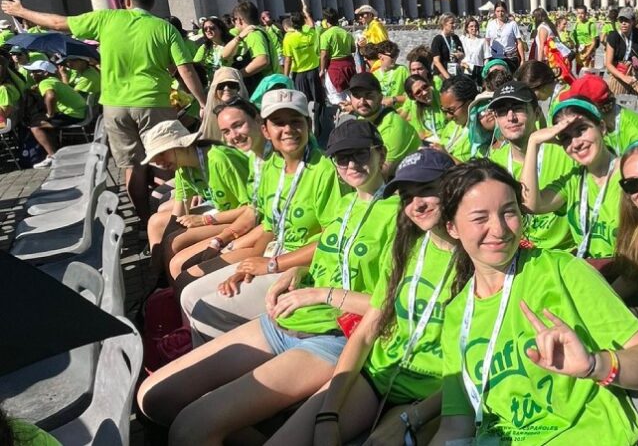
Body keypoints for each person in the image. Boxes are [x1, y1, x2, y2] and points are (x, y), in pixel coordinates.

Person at [137, 118, 400, 444]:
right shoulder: (346, 203)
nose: (350, 164)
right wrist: (293, 274)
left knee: (190, 428)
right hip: (291, 315)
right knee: (154, 398)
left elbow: (391, 305)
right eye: (341, 157)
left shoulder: (402, 214)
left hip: (340, 335)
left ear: (381, 152)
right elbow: (321, 255)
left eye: (360, 154)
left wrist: (317, 292)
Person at [428, 159, 638, 445]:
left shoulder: (562, 271)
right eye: (480, 218)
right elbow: (457, 427)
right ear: (452, 227)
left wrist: (595, 365)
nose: (499, 229)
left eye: (509, 212)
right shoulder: (458, 314)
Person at [270, 149, 458, 445]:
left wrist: (412, 418)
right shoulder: (407, 246)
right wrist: (329, 413)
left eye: (427, 190)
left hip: (433, 391)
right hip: (379, 375)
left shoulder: (479, 257)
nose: (416, 204)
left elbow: (477, 362)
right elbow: (369, 328)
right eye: (407, 196)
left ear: (454, 188)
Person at [2, 0, 206, 223]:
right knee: (166, 160)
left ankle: (145, 223)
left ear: (127, 1)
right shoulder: (164, 28)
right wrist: (203, 102)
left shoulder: (107, 18)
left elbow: (58, 23)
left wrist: (22, 12)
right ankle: (174, 221)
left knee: (134, 168)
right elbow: (186, 70)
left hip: (115, 107)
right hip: (153, 102)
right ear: (152, 3)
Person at [178, 89, 346, 342]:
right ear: (266, 130)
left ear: (309, 125)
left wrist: (270, 265)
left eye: (296, 121)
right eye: (278, 123)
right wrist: (248, 266)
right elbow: (269, 227)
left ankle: (241, 358)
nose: (288, 129)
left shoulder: (324, 170)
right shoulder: (272, 166)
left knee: (205, 310)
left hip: (302, 269)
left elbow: (332, 241)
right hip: (272, 257)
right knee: (188, 295)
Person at [167, 99, 265, 281]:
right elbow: (256, 210)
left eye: (238, 125)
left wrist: (213, 228)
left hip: (276, 245)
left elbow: (263, 220)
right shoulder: (257, 159)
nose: (234, 135)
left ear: (258, 120)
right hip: (253, 227)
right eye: (226, 131)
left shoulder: (222, 159)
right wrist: (220, 241)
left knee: (183, 269)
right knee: (174, 249)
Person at [141, 119, 251, 277]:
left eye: (162, 153)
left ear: (180, 145)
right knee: (157, 224)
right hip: (223, 212)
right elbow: (178, 214)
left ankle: (172, 288)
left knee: (176, 250)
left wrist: (205, 220)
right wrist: (157, 263)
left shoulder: (220, 159)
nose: (158, 162)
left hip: (244, 220)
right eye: (155, 158)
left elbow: (252, 210)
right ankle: (160, 282)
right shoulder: (182, 167)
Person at [522, 98, 624, 259]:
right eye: (566, 138)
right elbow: (531, 204)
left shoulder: (630, 176)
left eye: (581, 130)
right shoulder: (574, 179)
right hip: (590, 272)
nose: (575, 143)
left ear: (602, 127)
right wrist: (533, 142)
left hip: (625, 275)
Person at [489, 81, 576, 251]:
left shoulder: (565, 155)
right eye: (502, 112)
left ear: (536, 113)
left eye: (518, 108)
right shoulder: (494, 162)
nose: (511, 117)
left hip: (562, 253)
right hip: (515, 254)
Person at [348, 72, 419, 179]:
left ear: (381, 98)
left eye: (369, 96)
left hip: (411, 182)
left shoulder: (393, 126)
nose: (362, 101)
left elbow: (379, 175)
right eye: (357, 96)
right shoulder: (363, 118)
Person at [560, 74, 638, 155]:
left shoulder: (635, 133)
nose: (571, 114)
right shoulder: (597, 125)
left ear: (593, 110)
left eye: (575, 110)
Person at [23, 60, 86, 168]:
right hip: (80, 111)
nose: (32, 74)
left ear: (45, 73)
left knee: (35, 126)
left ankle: (53, 157)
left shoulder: (45, 83)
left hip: (73, 115)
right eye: (32, 72)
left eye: (36, 71)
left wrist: (50, 114)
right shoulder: (53, 80)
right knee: (42, 122)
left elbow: (50, 96)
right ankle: (53, 152)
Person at [223, 1, 279, 89]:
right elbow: (223, 54)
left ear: (240, 20)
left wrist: (237, 75)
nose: (234, 24)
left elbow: (262, 60)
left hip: (263, 87)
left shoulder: (254, 34)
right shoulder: (254, 31)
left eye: (234, 20)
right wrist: (239, 37)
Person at [281, 9, 324, 111]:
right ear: (303, 22)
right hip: (313, 71)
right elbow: (312, 25)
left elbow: (288, 60)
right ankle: (321, 120)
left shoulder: (288, 38)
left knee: (304, 101)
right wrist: (306, 13)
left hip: (299, 74)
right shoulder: (310, 34)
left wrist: (285, 77)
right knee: (318, 99)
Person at [604, 6, 638, 96]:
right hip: (619, 73)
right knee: (615, 104)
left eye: (627, 20)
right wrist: (624, 77)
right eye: (621, 20)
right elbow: (608, 64)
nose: (623, 23)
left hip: (636, 73)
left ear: (633, 22)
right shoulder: (613, 36)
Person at [438, 74, 478, 161]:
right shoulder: (452, 125)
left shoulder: (480, 133)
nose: (448, 116)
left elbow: (479, 173)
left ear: (469, 104)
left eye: (451, 110)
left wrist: (447, 157)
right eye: (444, 110)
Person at [318, 7, 356, 92]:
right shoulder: (346, 33)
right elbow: (353, 49)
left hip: (335, 67)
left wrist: (322, 70)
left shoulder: (325, 35)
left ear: (326, 21)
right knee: (351, 92)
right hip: (349, 65)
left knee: (337, 95)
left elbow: (324, 54)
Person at [402, 74, 447, 142]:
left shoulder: (441, 97)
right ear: (413, 97)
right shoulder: (413, 106)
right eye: (418, 92)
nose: (424, 92)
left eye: (425, 86)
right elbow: (420, 134)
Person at [484, 0, 525, 71]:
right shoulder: (490, 24)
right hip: (494, 57)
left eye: (502, 11)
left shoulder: (512, 24)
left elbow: (519, 42)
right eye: (498, 11)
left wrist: (523, 59)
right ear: (495, 12)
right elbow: (487, 41)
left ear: (506, 11)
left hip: (510, 58)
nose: (500, 13)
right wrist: (485, 57)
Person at [372, 41, 409, 109]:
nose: (394, 59)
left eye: (396, 55)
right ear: (380, 56)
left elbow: (412, 96)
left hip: (400, 112)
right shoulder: (374, 75)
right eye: (391, 56)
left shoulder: (402, 70)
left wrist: (393, 99)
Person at [430, 13, 463, 80]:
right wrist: (447, 77)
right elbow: (436, 61)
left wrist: (460, 55)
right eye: (451, 23)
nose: (454, 25)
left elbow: (462, 53)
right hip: (441, 75)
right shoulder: (438, 39)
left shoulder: (455, 37)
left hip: (454, 73)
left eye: (455, 23)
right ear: (444, 24)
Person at [355, 5, 388, 71]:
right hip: (370, 61)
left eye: (362, 15)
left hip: (377, 61)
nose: (360, 17)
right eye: (359, 15)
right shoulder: (368, 28)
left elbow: (383, 42)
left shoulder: (376, 25)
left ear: (370, 15)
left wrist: (366, 42)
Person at [572, 5, 600, 71]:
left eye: (582, 13)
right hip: (580, 50)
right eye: (578, 13)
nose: (580, 15)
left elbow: (594, 42)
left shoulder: (591, 24)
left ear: (586, 14)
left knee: (589, 71)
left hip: (589, 50)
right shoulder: (576, 25)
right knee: (579, 71)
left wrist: (587, 53)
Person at [459, 16, 487, 84]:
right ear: (467, 28)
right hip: (467, 66)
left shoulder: (482, 40)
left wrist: (485, 70)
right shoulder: (462, 39)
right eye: (471, 26)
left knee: (478, 88)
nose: (474, 28)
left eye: (475, 26)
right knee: (468, 86)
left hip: (479, 67)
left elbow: (486, 57)